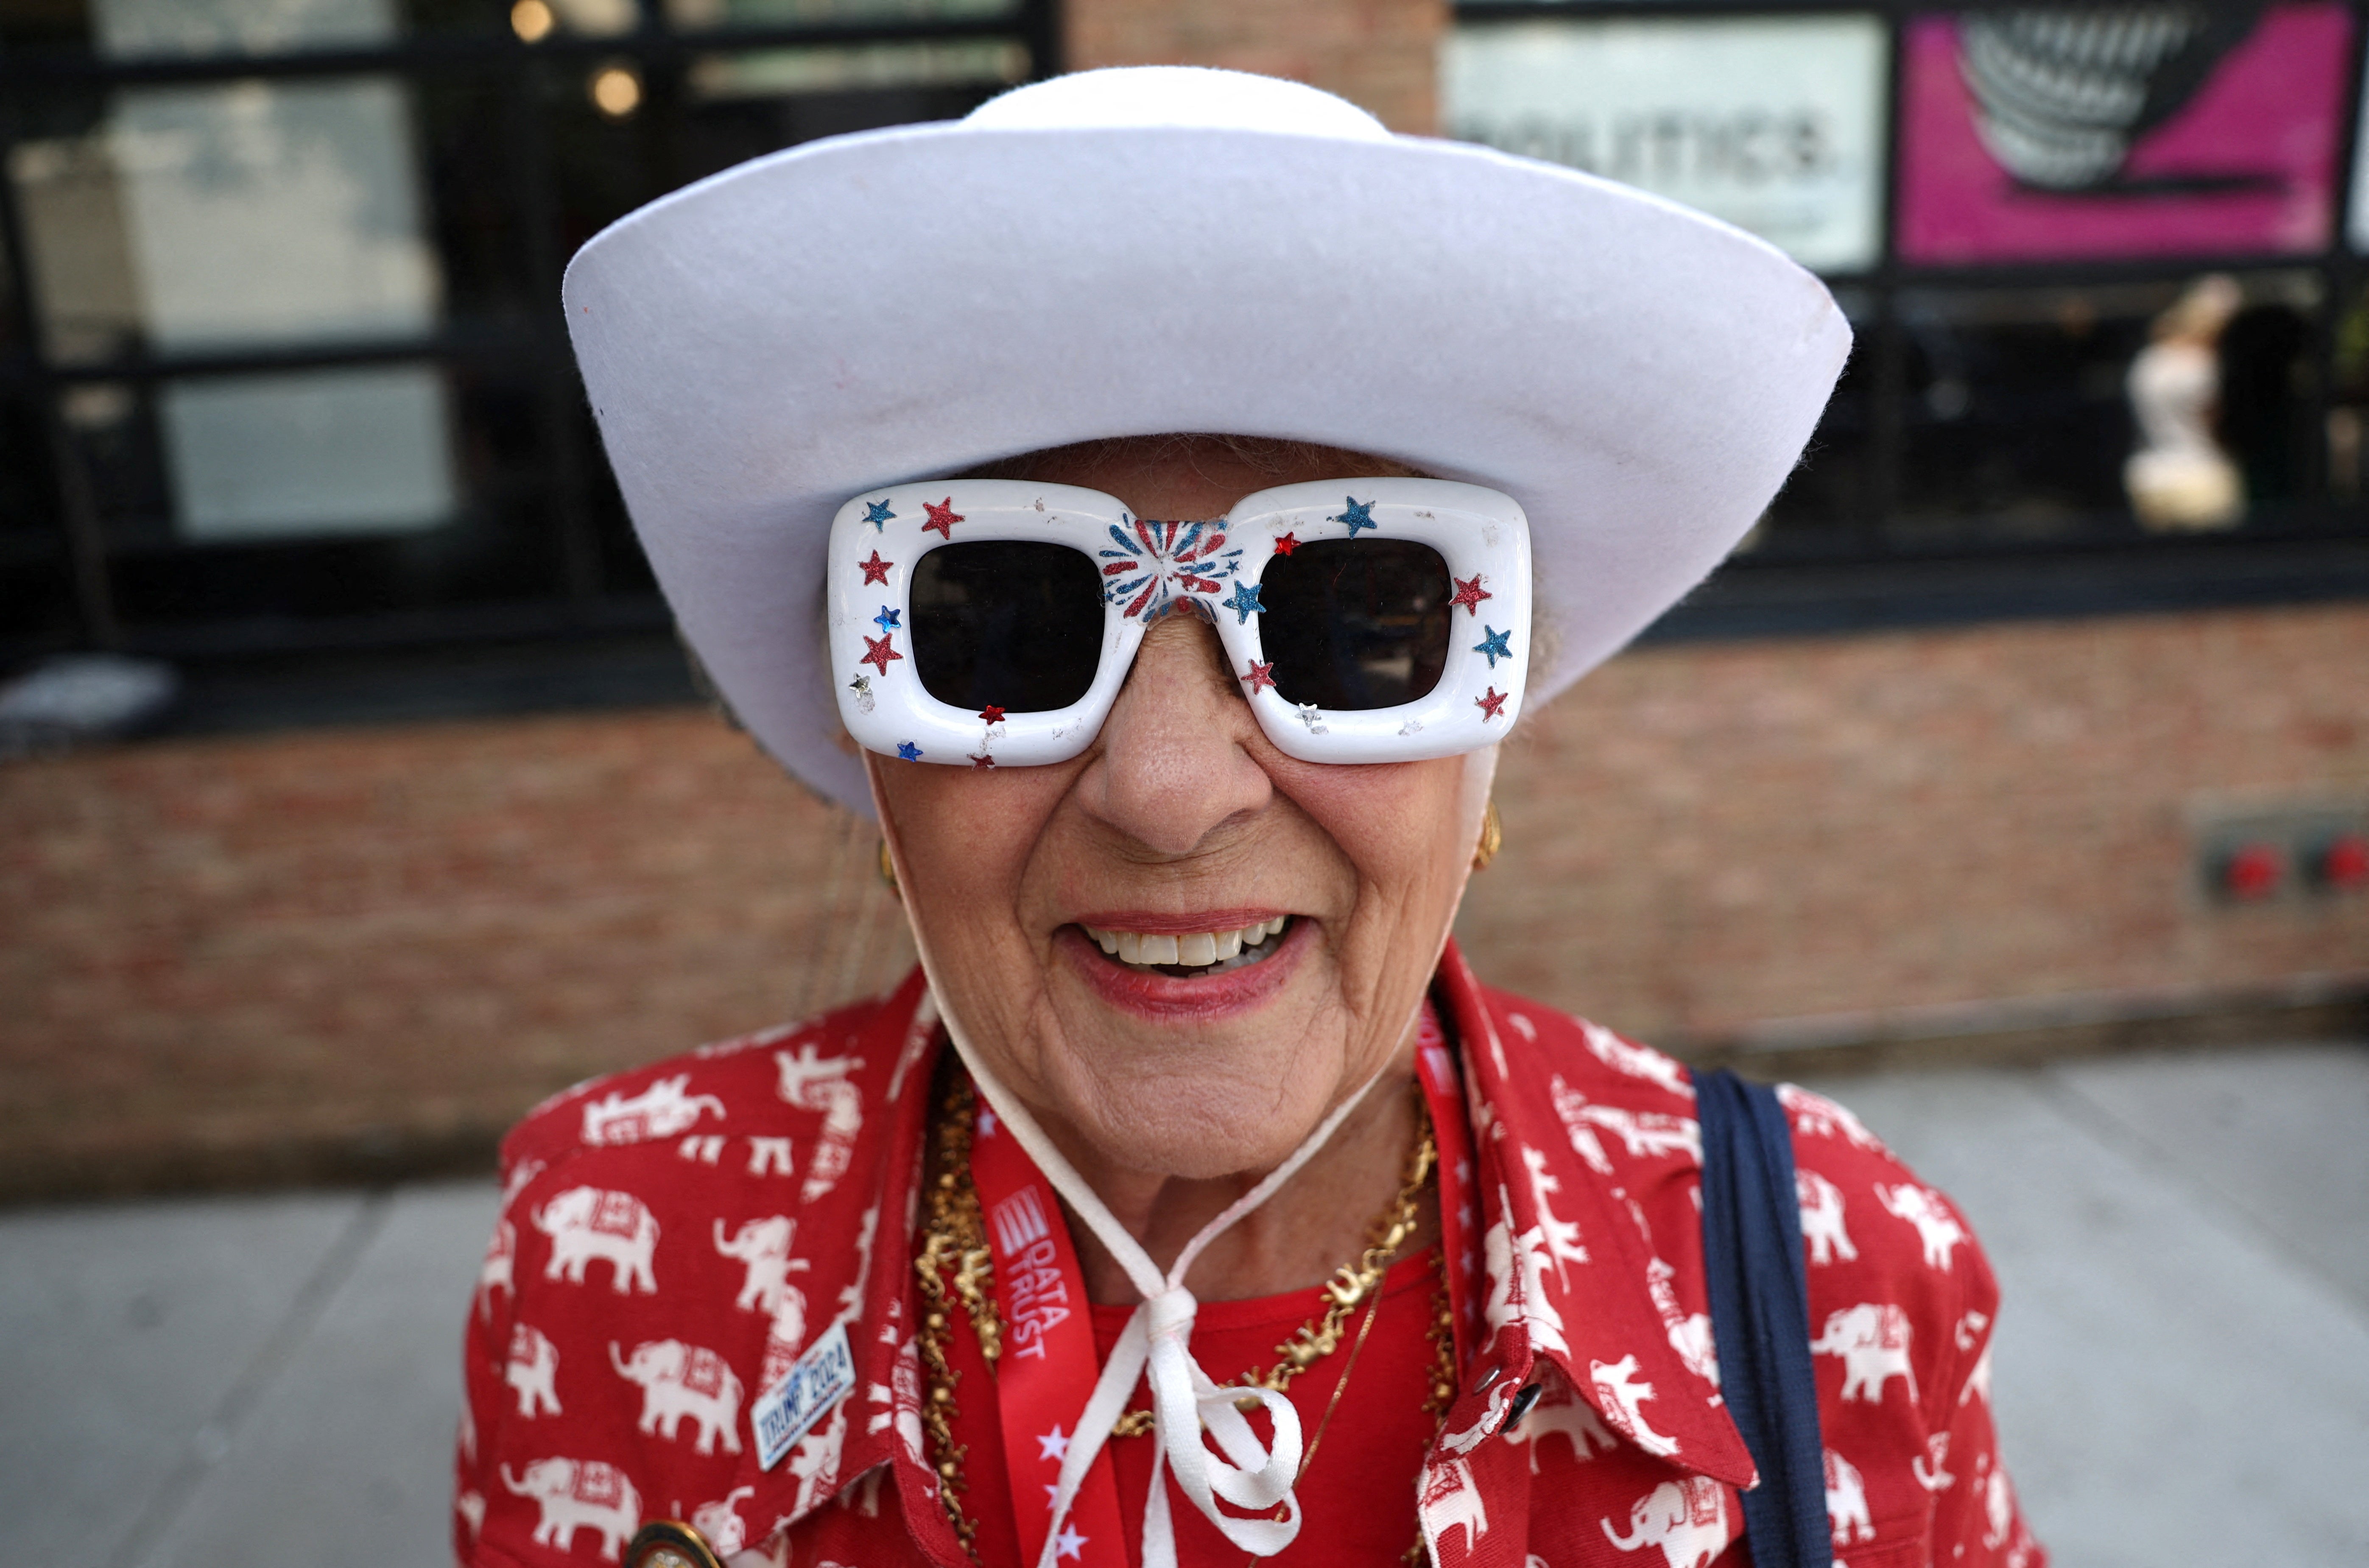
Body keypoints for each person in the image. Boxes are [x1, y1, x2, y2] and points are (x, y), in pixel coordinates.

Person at [456, 67, 2044, 1568]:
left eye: (1354, 620)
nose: (1167, 790)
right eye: (1000, 623)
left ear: (1485, 739)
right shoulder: (619, 1249)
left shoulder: (1837, 1272)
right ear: (873, 758)